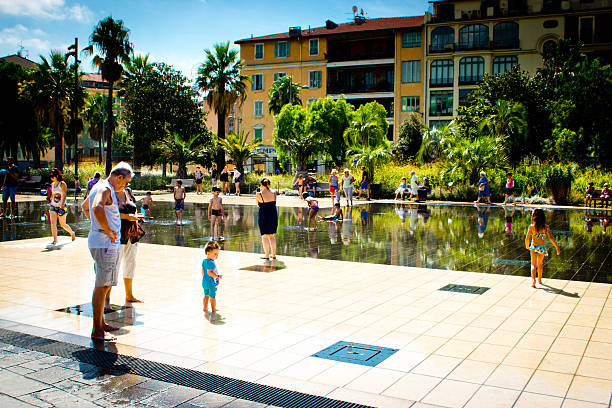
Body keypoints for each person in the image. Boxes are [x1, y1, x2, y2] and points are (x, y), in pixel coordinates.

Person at [81, 161, 133, 342]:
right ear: (119, 177)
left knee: (103, 284)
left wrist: (97, 227)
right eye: (126, 182)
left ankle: (101, 324)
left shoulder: (98, 186)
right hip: (105, 244)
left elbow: (85, 207)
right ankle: (97, 330)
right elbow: (95, 207)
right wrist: (107, 230)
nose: (125, 187)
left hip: (99, 242)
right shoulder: (106, 189)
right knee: (102, 285)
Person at [107, 181, 144, 307]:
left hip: (132, 233)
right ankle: (106, 299)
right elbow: (108, 213)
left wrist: (135, 215)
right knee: (114, 265)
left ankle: (129, 294)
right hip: (118, 233)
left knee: (130, 263)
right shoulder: (110, 194)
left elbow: (133, 208)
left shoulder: (128, 192)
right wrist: (126, 217)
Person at [525, 208, 560, 288]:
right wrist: (556, 247)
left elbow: (527, 238)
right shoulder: (546, 227)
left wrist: (527, 246)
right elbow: (551, 238)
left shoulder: (531, 227)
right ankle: (539, 280)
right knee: (540, 264)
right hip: (542, 248)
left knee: (533, 265)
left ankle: (533, 281)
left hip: (533, 247)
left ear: (534, 217)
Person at [48, 168, 76, 245]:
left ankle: (72, 233)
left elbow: (64, 195)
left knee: (63, 224)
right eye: (50, 176)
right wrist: (50, 204)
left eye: (52, 176)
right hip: (53, 206)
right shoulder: (52, 184)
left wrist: (62, 205)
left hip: (61, 206)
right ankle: (55, 240)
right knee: (53, 223)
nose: (51, 178)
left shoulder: (62, 184)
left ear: (57, 176)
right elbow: (52, 195)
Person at [256, 178, 278, 260]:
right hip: (273, 214)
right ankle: (274, 254)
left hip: (264, 214)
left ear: (262, 185)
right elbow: (274, 203)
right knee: (272, 236)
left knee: (264, 236)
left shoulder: (259, 194)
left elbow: (258, 204)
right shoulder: (274, 193)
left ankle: (266, 255)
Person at [202, 241, 222, 313]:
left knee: (206, 295)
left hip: (204, 282)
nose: (217, 256)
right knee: (212, 296)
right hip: (211, 283)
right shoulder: (211, 262)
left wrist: (204, 278)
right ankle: (213, 309)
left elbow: (203, 272)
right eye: (215, 254)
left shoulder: (204, 261)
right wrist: (217, 276)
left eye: (217, 254)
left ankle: (205, 308)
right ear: (208, 253)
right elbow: (209, 272)